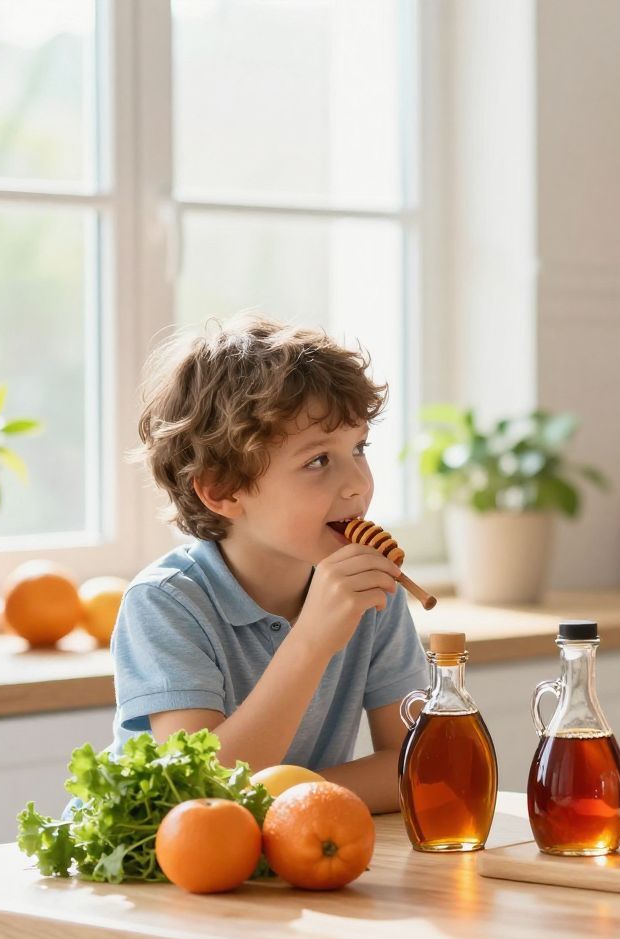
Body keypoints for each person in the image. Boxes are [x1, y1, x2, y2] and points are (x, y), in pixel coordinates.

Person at [109, 314, 426, 813]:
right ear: (222, 490)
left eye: (358, 447)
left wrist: (287, 800)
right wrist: (313, 638)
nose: (357, 483)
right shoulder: (166, 605)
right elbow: (202, 798)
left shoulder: (371, 592)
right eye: (318, 460)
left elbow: (416, 767)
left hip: (282, 854)